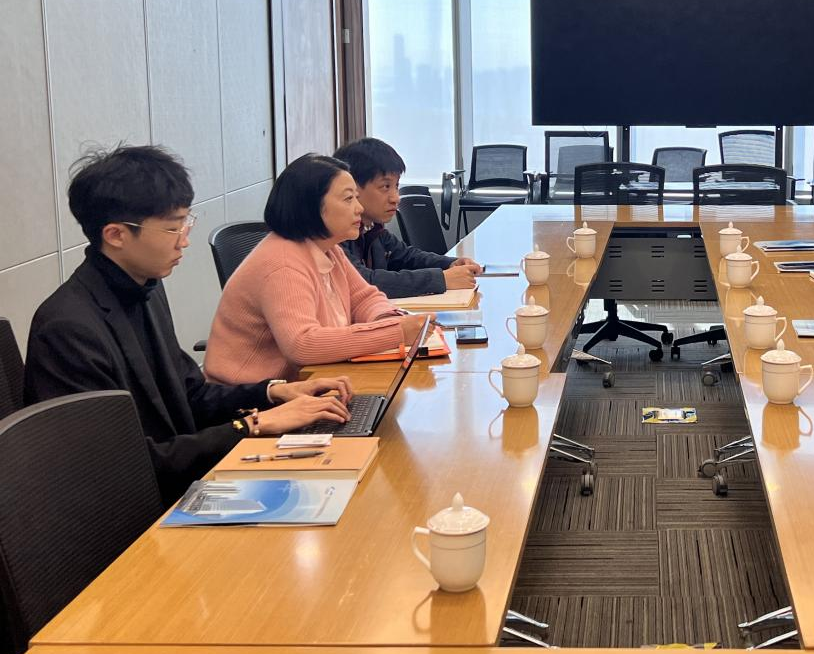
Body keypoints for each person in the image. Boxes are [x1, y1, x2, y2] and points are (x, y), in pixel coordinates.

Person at [24, 146, 354, 503]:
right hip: (136, 511)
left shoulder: (145, 288)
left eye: (185, 222)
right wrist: (254, 425)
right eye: (172, 227)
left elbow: (190, 393)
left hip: (183, 480)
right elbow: (121, 465)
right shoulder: (67, 329)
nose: (184, 239)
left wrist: (273, 394)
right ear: (116, 235)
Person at [204, 154, 429, 384]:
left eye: (356, 198)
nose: (359, 208)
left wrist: (388, 318)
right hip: (254, 396)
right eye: (348, 199)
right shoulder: (283, 263)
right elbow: (302, 344)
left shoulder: (327, 248)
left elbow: (364, 298)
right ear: (312, 207)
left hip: (309, 382)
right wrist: (395, 332)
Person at [333, 137, 480, 298]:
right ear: (353, 188)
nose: (395, 198)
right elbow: (364, 281)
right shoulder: (337, 234)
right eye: (385, 186)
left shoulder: (373, 229)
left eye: (396, 186)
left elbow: (407, 257)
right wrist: (441, 279)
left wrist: (450, 264)